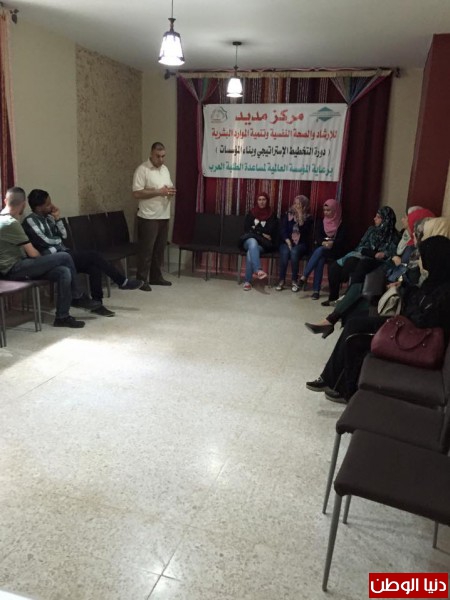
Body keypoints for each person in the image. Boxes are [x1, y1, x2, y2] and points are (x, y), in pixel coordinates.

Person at [305, 235, 450, 403]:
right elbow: (418, 305)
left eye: (423, 258)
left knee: (356, 329)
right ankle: (332, 379)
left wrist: (407, 295)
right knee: (356, 319)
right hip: (408, 328)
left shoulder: (444, 291)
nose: (421, 262)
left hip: (414, 340)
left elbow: (422, 319)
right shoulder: (436, 280)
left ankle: (345, 389)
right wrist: (407, 291)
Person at [23, 189, 143, 317]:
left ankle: (98, 303)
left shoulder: (48, 218)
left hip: (65, 254)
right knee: (93, 255)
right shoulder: (30, 221)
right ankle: (122, 281)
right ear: (39, 207)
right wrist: (58, 240)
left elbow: (64, 235)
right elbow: (44, 240)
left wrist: (57, 219)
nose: (51, 206)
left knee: (94, 267)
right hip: (52, 259)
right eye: (48, 204)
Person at [0, 187, 92, 328]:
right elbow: (33, 254)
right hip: (14, 268)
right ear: (24, 204)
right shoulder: (11, 223)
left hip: (17, 266)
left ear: (5, 200)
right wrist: (46, 261)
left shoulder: (4, 220)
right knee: (64, 256)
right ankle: (77, 296)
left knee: (63, 271)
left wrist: (46, 262)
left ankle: (62, 317)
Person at [320, 206, 399, 307]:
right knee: (334, 266)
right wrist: (373, 253)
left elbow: (388, 253)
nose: (374, 218)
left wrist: (376, 254)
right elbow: (361, 246)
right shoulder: (371, 230)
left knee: (352, 263)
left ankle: (346, 299)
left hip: (377, 262)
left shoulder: (394, 236)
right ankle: (333, 297)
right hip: (364, 255)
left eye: (378, 217)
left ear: (385, 220)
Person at [132, 142, 175, 291]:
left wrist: (170, 191)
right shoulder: (142, 170)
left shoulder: (165, 170)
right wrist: (158, 192)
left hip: (163, 215)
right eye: (158, 156)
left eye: (163, 156)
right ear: (151, 154)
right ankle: (141, 280)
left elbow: (167, 188)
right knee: (147, 250)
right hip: (148, 217)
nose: (161, 159)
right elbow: (136, 193)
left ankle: (156, 277)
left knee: (159, 250)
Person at [298, 198, 345, 299]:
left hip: (334, 250)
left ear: (335, 210)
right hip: (322, 248)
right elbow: (317, 236)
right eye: (324, 210)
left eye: (328, 210)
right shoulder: (321, 221)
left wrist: (332, 243)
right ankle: (316, 291)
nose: (326, 212)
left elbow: (342, 240)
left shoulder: (341, 223)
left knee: (320, 251)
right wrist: (324, 243)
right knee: (320, 257)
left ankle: (304, 277)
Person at [239, 193, 278, 291]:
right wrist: (262, 233)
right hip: (248, 241)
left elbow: (271, 231)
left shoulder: (272, 215)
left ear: (267, 201)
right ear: (257, 201)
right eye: (259, 199)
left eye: (264, 199)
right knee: (252, 242)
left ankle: (247, 281)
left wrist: (255, 230)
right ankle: (258, 270)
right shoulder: (251, 213)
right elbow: (247, 229)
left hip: (263, 245)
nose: (261, 202)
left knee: (250, 252)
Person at [275, 195, 312, 292]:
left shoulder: (308, 217)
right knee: (285, 252)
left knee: (294, 252)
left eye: (299, 204)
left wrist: (300, 217)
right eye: (295, 203)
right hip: (287, 241)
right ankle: (281, 280)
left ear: (304, 205)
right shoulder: (288, 214)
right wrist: (287, 240)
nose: (296, 206)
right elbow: (282, 229)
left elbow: (305, 233)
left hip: (301, 243)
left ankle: (294, 280)